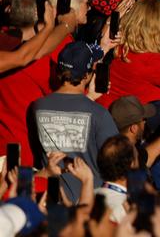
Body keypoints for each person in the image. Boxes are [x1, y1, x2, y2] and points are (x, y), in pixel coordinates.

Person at [30, 41, 118, 202]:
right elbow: (117, 163)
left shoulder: (38, 106)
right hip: (89, 203)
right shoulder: (99, 114)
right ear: (87, 75)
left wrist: (88, 98)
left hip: (51, 200)